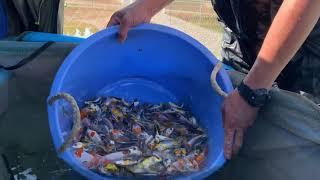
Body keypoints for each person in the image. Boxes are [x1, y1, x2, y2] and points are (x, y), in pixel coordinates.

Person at [107, 0, 320, 179]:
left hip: (307, 63)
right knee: (232, 141)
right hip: (244, 37)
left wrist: (252, 91)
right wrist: (145, 7)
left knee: (289, 161)